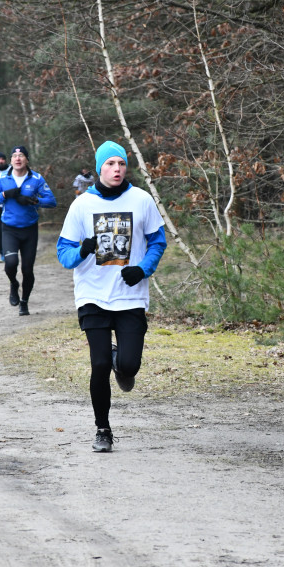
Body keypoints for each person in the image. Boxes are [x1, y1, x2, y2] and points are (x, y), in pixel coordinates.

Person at [57, 140, 167, 453]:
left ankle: (123, 361)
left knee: (129, 366)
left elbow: (158, 242)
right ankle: (102, 430)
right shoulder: (82, 205)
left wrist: (143, 269)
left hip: (129, 296)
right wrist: (83, 250)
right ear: (99, 168)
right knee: (99, 363)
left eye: (120, 163)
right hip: (92, 295)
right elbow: (64, 254)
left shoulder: (141, 200)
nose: (116, 169)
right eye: (110, 164)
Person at [0, 145, 57, 316]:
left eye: (21, 155)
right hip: (9, 229)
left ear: (26, 159)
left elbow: (52, 201)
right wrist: (5, 195)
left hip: (29, 230)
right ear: (11, 160)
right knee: (10, 264)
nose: (17, 158)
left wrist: (35, 201)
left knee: (27, 269)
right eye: (14, 156)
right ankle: (13, 284)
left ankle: (24, 302)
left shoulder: (36, 179)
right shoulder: (3, 178)